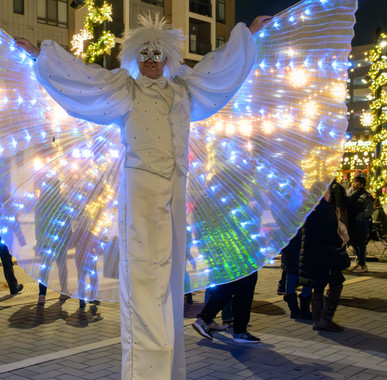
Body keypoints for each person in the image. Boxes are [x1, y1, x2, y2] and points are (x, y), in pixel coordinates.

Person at [15, 13, 271, 378]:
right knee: (144, 280)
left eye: (158, 54)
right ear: (136, 58)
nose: (152, 61)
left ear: (168, 57)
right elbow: (83, 79)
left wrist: (249, 37)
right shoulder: (125, 90)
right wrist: (37, 57)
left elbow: (218, 69)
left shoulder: (185, 90)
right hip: (141, 192)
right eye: (145, 55)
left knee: (167, 282)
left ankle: (167, 368)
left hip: (174, 192)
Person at [298, 184, 349, 332]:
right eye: (327, 191)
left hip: (313, 253)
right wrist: (340, 241)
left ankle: (317, 319)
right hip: (326, 254)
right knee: (337, 282)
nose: (330, 194)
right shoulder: (325, 211)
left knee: (318, 285)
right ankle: (325, 319)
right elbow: (330, 234)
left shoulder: (310, 210)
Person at [191, 271, 261, 343]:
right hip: (241, 263)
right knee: (239, 288)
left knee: (236, 287)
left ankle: (239, 331)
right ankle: (205, 319)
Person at [279, 228, 312, 320]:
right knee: (306, 279)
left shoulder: (286, 218)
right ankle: (304, 310)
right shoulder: (305, 217)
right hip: (301, 251)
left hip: (289, 250)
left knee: (291, 278)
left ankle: (294, 311)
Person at [347, 176, 374, 273]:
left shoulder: (366, 196)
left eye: (356, 182)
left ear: (362, 185)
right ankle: (360, 262)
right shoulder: (351, 193)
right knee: (353, 242)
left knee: (361, 243)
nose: (353, 183)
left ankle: (362, 264)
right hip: (353, 221)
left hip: (361, 221)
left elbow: (369, 210)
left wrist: (358, 216)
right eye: (353, 181)